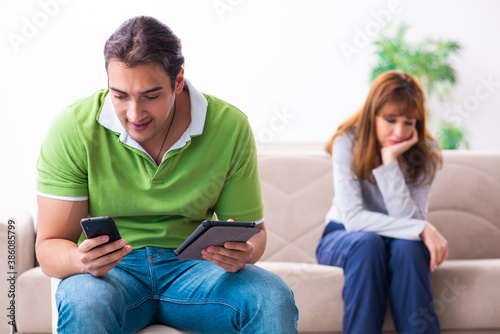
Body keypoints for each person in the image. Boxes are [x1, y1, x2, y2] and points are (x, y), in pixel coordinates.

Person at [35, 16, 298, 334]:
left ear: (178, 81)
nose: (134, 114)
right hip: (112, 273)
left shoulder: (230, 126)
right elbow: (49, 247)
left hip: (197, 269)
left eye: (150, 95)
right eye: (119, 96)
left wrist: (245, 252)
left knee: (271, 296)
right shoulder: (74, 128)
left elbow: (255, 234)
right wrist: (82, 260)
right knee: (84, 301)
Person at [316, 70, 449, 333]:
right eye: (390, 120)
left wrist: (390, 163)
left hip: (400, 241)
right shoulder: (347, 141)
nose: (400, 131)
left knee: (409, 250)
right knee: (368, 243)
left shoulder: (427, 153)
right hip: (344, 235)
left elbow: (409, 224)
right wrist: (422, 228)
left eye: (409, 122)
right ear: (372, 114)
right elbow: (354, 218)